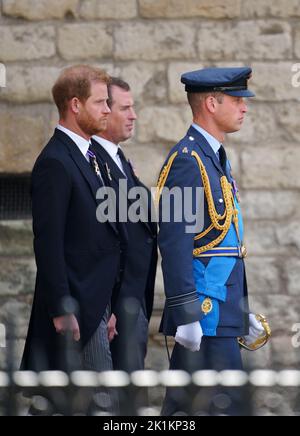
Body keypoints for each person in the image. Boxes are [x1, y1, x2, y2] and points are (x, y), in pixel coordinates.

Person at [157, 67, 265, 415]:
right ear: (211, 103)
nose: (244, 108)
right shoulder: (187, 162)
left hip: (222, 311)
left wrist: (240, 309)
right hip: (203, 315)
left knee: (197, 407)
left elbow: (227, 242)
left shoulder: (214, 157)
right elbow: (175, 243)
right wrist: (186, 314)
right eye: (236, 100)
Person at [21, 65, 125, 413]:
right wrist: (63, 307)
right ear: (75, 105)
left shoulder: (90, 156)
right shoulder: (56, 161)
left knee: (85, 402)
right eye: (101, 102)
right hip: (77, 305)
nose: (108, 110)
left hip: (97, 303)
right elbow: (48, 243)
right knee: (98, 404)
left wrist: (108, 306)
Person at [92, 78, 157, 373]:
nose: (133, 116)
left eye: (134, 108)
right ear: (104, 112)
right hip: (117, 307)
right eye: (125, 108)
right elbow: (98, 242)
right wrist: (111, 305)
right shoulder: (93, 162)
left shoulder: (118, 159)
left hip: (133, 299)